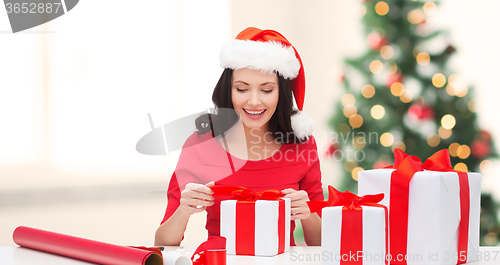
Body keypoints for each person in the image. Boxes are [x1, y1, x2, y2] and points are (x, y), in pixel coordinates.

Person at [154, 27, 323, 247]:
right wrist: (183, 211)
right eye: (242, 89)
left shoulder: (302, 145)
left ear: (281, 93)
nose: (253, 102)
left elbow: (322, 243)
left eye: (266, 90)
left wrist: (307, 213)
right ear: (228, 90)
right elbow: (162, 242)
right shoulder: (200, 144)